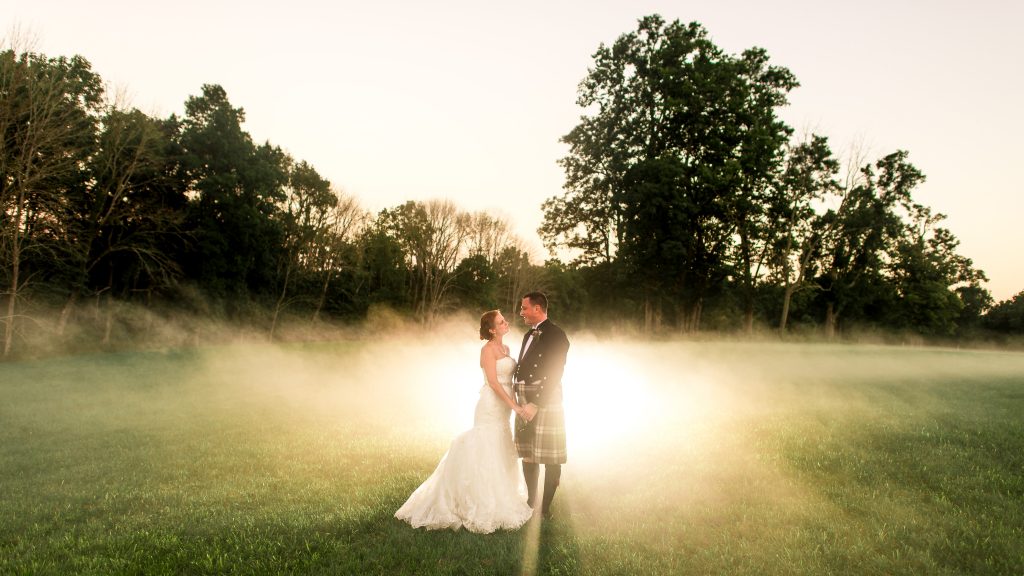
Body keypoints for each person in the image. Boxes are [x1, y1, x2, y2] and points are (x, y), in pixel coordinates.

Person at [394, 310, 534, 533]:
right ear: (491, 329)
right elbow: (495, 384)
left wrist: (517, 405)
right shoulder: (487, 350)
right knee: (486, 447)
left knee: (500, 447)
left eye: (504, 320)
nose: (506, 323)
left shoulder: (506, 349)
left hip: (505, 408)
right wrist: (515, 405)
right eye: (501, 322)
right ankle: (476, 500)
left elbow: (510, 381)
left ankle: (501, 494)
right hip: (491, 404)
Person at [514, 291, 570, 519]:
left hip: (544, 398)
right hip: (525, 396)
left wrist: (536, 403)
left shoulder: (557, 335)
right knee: (528, 452)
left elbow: (555, 372)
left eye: (524, 308)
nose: (521, 312)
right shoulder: (528, 334)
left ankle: (544, 509)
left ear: (538, 308)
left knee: (551, 455)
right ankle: (530, 502)